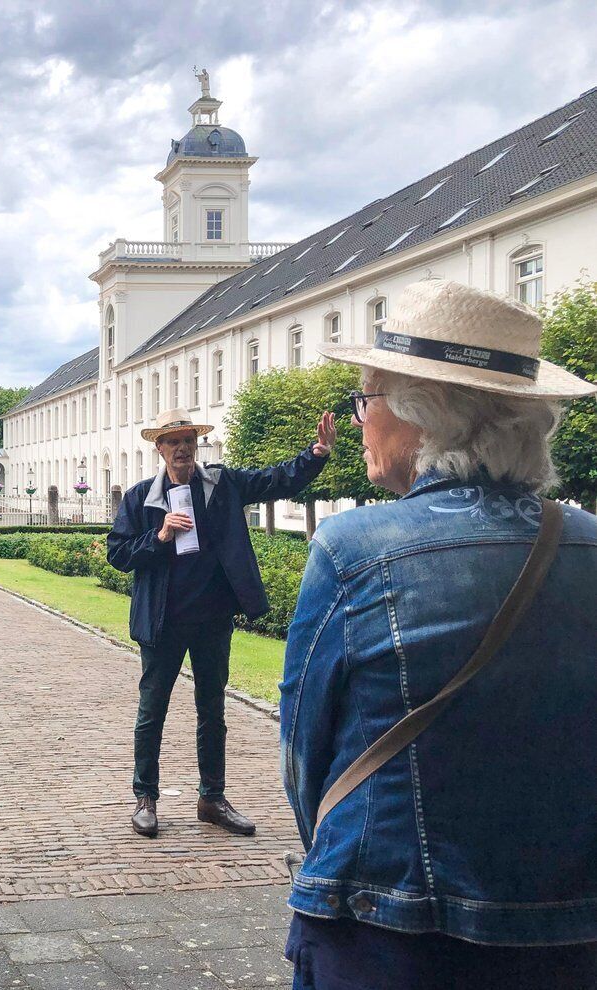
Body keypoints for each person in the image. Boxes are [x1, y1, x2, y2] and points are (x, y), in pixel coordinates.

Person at [280, 279, 597, 989]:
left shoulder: (354, 548)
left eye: (365, 399)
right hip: (566, 932)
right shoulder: (590, 544)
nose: (358, 420)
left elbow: (305, 757)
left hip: (392, 928)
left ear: (423, 418)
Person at [108, 406, 334, 839]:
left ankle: (212, 798)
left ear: (197, 445)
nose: (182, 449)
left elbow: (277, 479)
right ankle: (145, 798)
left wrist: (317, 453)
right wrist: (158, 537)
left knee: (213, 711)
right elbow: (117, 554)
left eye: (188, 441)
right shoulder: (140, 499)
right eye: (173, 442)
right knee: (151, 711)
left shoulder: (221, 484)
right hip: (163, 622)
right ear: (159, 449)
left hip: (212, 619)